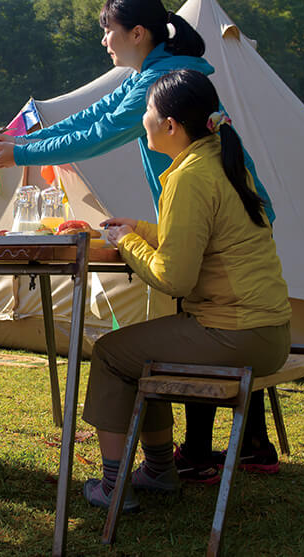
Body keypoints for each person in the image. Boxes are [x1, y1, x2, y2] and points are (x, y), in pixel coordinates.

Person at [0, 0, 280, 476]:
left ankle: (193, 458)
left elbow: (97, 135)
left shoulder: (161, 86)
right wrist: (23, 139)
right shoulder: (154, 73)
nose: (104, 41)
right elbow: (89, 117)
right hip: (236, 235)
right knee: (211, 310)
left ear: (137, 33)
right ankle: (242, 447)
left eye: (108, 31)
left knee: (194, 314)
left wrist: (20, 155)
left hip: (212, 223)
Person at [81, 69, 291, 511]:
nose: (144, 121)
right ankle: (157, 470)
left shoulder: (188, 176)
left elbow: (175, 278)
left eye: (148, 113)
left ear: (171, 125)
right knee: (140, 351)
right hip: (269, 330)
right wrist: (137, 227)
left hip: (236, 333)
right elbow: (202, 235)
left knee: (111, 355)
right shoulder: (222, 157)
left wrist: (128, 242)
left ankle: (115, 484)